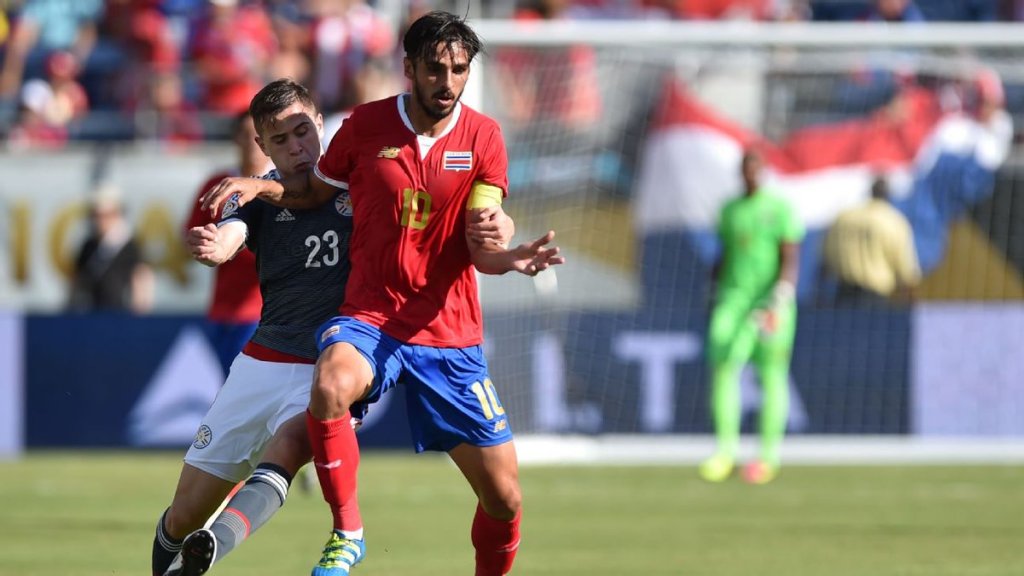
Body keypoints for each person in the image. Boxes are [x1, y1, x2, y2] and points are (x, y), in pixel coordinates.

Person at [200, 11, 565, 575]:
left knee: (504, 498)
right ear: (409, 68)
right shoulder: (365, 126)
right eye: (436, 69)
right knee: (329, 383)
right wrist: (258, 186)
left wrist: (510, 254)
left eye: (460, 70)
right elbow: (311, 194)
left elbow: (484, 241)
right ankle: (348, 532)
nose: (448, 82)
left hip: (449, 333)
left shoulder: (485, 137)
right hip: (370, 317)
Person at [155, 77, 515, 576]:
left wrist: (502, 229)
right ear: (262, 145)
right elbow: (233, 231)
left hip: (337, 361)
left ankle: (217, 542)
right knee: (183, 513)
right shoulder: (256, 196)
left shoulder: (366, 180)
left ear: (322, 124)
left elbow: (448, 212)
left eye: (302, 131)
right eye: (280, 140)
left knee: (288, 448)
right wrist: (219, 246)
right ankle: (187, 545)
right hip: (262, 359)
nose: (296, 147)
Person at [699, 150, 803, 485]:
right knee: (723, 369)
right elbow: (725, 254)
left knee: (772, 374)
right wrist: (712, 289)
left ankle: (768, 457)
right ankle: (725, 453)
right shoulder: (730, 210)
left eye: (757, 170)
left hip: (770, 303)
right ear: (741, 172)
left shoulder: (779, 208)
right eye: (747, 170)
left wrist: (782, 293)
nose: (752, 176)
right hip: (733, 301)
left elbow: (790, 255)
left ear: (764, 172)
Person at [183, 110, 266, 377]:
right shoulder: (218, 184)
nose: (252, 143)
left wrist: (232, 245)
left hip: (261, 311)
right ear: (235, 139)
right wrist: (202, 242)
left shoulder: (280, 187)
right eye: (245, 135)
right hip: (221, 310)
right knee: (229, 381)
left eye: (258, 136)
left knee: (246, 383)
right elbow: (190, 234)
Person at [822, 175, 920, 308]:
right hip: (874, 299)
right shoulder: (894, 221)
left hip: (842, 293)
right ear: (888, 195)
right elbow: (907, 272)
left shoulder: (844, 217)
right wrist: (908, 303)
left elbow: (825, 257)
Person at [68, 184, 154, 314]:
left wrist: (138, 315)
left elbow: (142, 282)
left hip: (121, 316)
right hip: (91, 315)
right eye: (96, 215)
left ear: (117, 214)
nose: (100, 221)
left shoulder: (131, 247)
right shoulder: (88, 246)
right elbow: (76, 282)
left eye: (106, 215)